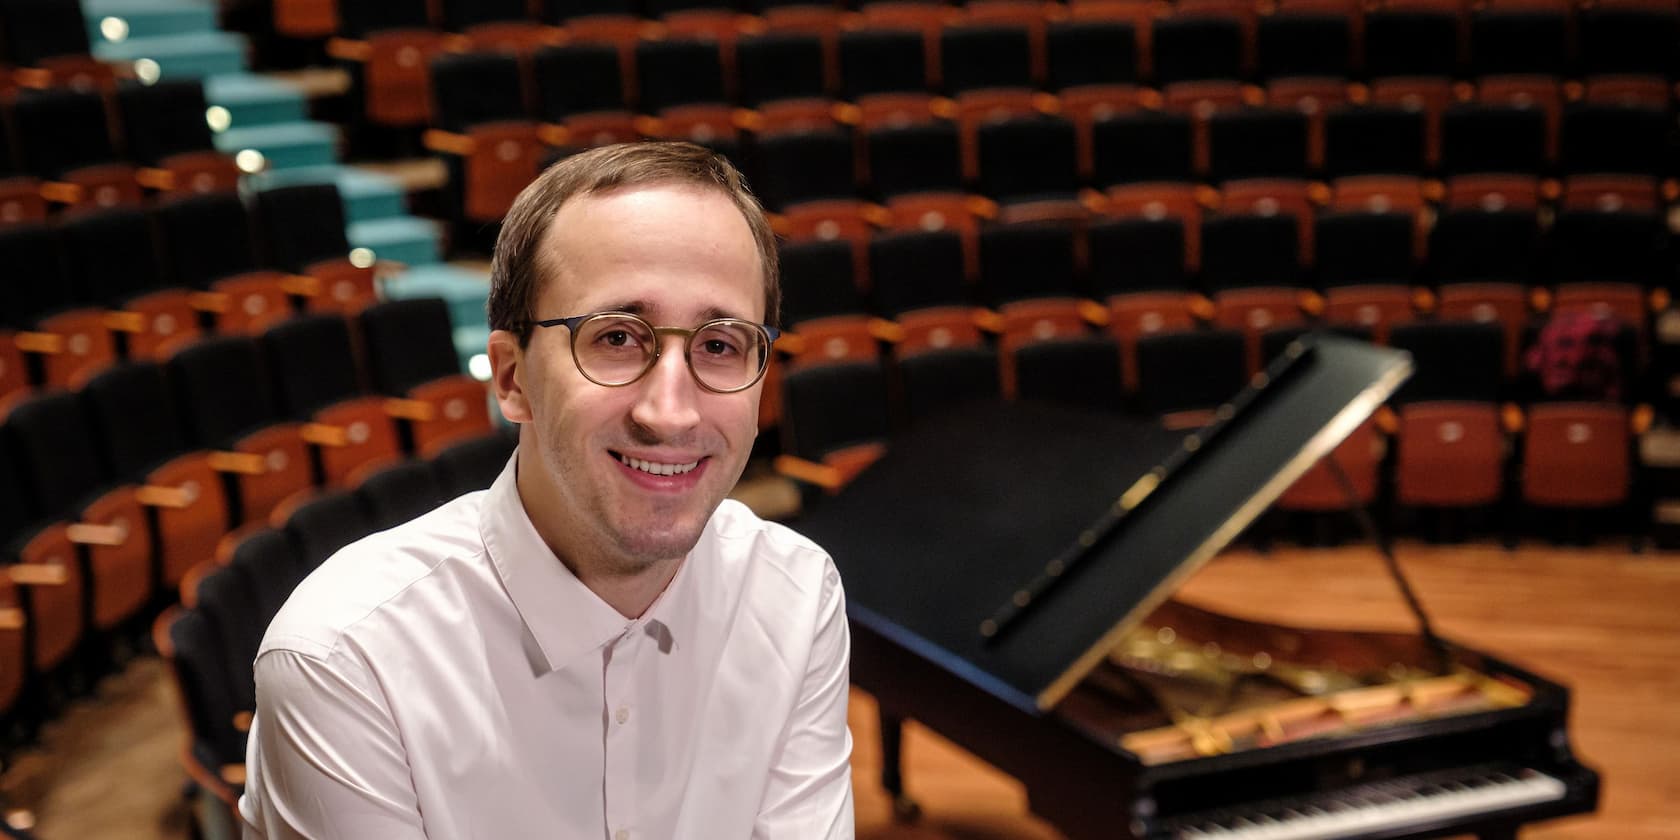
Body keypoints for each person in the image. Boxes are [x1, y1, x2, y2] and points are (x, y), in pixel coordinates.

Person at [238, 142, 855, 839]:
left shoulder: (797, 594)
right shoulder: (347, 659)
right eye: (617, 337)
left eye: (720, 345)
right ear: (511, 377)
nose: (673, 412)